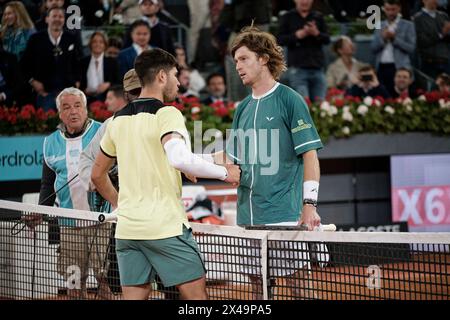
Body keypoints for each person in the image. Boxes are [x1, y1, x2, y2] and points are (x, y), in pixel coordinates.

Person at [91, 48, 240, 300]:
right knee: (196, 299)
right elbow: (178, 158)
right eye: (174, 74)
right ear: (161, 76)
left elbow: (97, 175)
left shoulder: (116, 121)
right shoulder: (167, 113)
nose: (179, 82)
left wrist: (120, 204)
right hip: (165, 228)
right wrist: (225, 174)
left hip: (128, 231)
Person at [210, 26, 323, 299]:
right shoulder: (242, 109)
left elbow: (310, 155)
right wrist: (192, 163)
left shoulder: (290, 100)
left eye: (243, 58)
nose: (237, 66)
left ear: (263, 59)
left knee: (300, 289)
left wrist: (309, 205)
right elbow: (232, 163)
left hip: (284, 216)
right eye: (235, 60)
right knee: (259, 291)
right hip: (248, 218)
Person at [24, 87, 112, 300]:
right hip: (68, 224)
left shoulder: (103, 132)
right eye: (66, 107)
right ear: (60, 113)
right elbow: (48, 184)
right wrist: (41, 213)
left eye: (77, 106)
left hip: (102, 219)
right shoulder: (50, 142)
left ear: (85, 109)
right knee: (74, 282)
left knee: (105, 281)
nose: (73, 111)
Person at [21, 6, 81, 111]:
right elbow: (24, 64)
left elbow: (77, 63)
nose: (57, 19)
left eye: (60, 16)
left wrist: (76, 82)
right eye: (54, 16)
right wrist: (33, 81)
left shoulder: (71, 38)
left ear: (64, 20)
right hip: (44, 93)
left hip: (67, 92)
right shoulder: (35, 39)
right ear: (47, 19)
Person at [278, 0, 330, 101]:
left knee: (321, 107)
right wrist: (297, 35)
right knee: (302, 105)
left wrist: (316, 33)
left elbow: (327, 39)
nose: (304, 1)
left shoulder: (318, 16)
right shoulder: (288, 17)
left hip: (317, 68)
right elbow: (279, 40)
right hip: (297, 68)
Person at [371, 0, 416, 94]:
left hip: (400, 68)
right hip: (381, 68)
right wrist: (383, 39)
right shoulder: (379, 25)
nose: (390, 12)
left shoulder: (408, 25)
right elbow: (373, 48)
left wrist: (394, 39)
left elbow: (411, 48)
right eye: (387, 9)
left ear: (399, 9)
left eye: (393, 9)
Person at [413, 0, 450, 78]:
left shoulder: (444, 16)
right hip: (429, 62)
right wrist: (441, 34)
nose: (434, 0)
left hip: (445, 61)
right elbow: (421, 41)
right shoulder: (417, 18)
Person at [80, 32, 120, 103]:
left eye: (101, 42)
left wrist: (108, 84)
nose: (97, 44)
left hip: (106, 99)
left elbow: (118, 81)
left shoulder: (112, 62)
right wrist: (84, 90)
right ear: (90, 44)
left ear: (105, 45)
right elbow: (79, 81)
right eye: (94, 41)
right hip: (86, 99)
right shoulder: (83, 62)